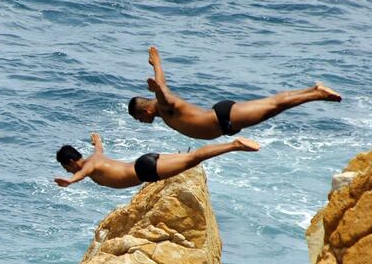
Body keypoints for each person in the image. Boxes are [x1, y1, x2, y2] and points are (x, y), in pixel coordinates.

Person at [127, 47, 342, 140]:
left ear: (145, 110)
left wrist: (157, 87)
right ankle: (313, 89)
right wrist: (156, 62)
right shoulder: (161, 106)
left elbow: (163, 93)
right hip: (223, 118)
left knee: (275, 107)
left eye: (138, 118)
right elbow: (162, 84)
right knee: (274, 103)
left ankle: (318, 94)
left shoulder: (162, 106)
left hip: (223, 119)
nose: (141, 122)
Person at [54, 133, 259, 189]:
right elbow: (99, 148)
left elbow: (81, 174)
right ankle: (233, 145)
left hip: (146, 171)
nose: (69, 171)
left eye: (66, 167)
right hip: (145, 161)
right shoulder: (95, 157)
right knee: (190, 157)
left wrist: (70, 182)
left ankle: (234, 145)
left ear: (71, 162)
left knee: (195, 158)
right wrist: (96, 141)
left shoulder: (89, 166)